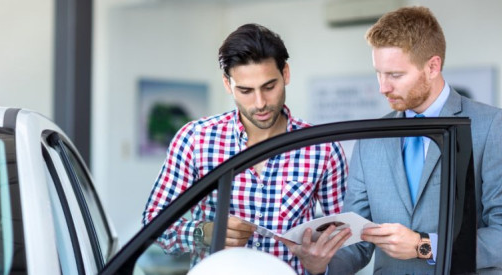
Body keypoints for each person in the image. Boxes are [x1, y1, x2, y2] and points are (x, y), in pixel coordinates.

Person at [279, 6, 502, 275]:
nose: (382, 87)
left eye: (395, 75)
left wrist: (424, 246)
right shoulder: (371, 140)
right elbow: (357, 244)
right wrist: (322, 265)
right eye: (378, 73)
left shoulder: (491, 125)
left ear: (433, 67)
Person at [142, 23, 348, 274]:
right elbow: (153, 226)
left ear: (286, 73)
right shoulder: (195, 139)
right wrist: (205, 232)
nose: (260, 103)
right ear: (228, 84)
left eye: (269, 87)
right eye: (246, 90)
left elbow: (345, 239)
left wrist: (320, 265)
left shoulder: (322, 148)